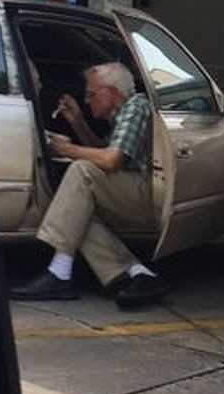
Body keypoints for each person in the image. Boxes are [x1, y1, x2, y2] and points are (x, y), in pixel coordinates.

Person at [10, 61, 171, 309]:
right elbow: (103, 151)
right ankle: (139, 273)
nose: (87, 100)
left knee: (81, 170)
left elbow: (111, 160)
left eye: (92, 94)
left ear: (113, 93)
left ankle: (59, 272)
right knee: (78, 213)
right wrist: (77, 122)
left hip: (148, 193)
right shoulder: (121, 113)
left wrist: (67, 149)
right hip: (129, 191)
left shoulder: (136, 107)